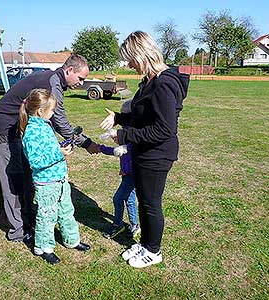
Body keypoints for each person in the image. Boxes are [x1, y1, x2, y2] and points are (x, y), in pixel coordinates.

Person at [0, 54, 99, 243]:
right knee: (12, 179)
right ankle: (18, 231)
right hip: (2, 127)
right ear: (69, 71)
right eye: (80, 78)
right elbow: (60, 121)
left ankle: (28, 220)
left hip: (17, 128)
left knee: (26, 174)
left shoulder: (54, 80)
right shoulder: (51, 84)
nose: (81, 83)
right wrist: (86, 143)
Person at [100, 31, 190, 268]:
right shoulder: (149, 81)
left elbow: (164, 130)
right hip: (143, 152)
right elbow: (143, 118)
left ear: (141, 54)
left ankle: (153, 250)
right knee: (143, 200)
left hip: (156, 155)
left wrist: (123, 135)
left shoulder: (163, 84)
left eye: (130, 59)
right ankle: (146, 243)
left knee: (151, 203)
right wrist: (120, 118)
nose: (128, 64)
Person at [19, 88, 90, 264]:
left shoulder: (44, 125)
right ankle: (43, 248)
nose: (53, 114)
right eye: (51, 111)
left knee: (66, 210)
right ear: (41, 111)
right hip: (46, 183)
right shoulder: (31, 132)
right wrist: (60, 153)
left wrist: (60, 148)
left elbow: (49, 149)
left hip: (60, 179)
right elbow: (36, 161)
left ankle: (72, 240)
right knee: (47, 216)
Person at [99, 99, 140, 239]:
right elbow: (117, 151)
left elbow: (131, 152)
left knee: (118, 198)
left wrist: (126, 170)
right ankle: (134, 224)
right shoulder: (125, 132)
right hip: (127, 173)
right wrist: (101, 148)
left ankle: (117, 225)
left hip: (131, 174)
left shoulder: (133, 134)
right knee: (129, 198)